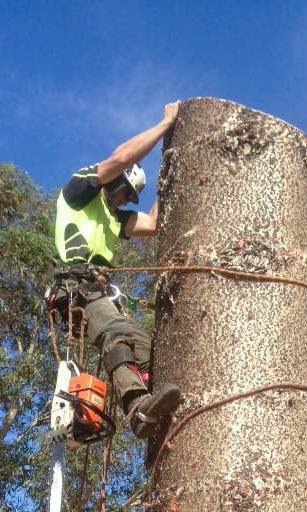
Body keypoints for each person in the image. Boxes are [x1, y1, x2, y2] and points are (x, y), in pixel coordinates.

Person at [51, 101, 182, 439]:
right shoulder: (80, 191)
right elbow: (122, 158)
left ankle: (157, 404)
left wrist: (170, 166)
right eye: (125, 193)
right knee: (115, 333)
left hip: (99, 294)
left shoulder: (114, 217)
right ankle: (137, 409)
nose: (125, 201)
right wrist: (166, 125)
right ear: (115, 182)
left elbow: (153, 223)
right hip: (76, 288)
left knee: (146, 347)